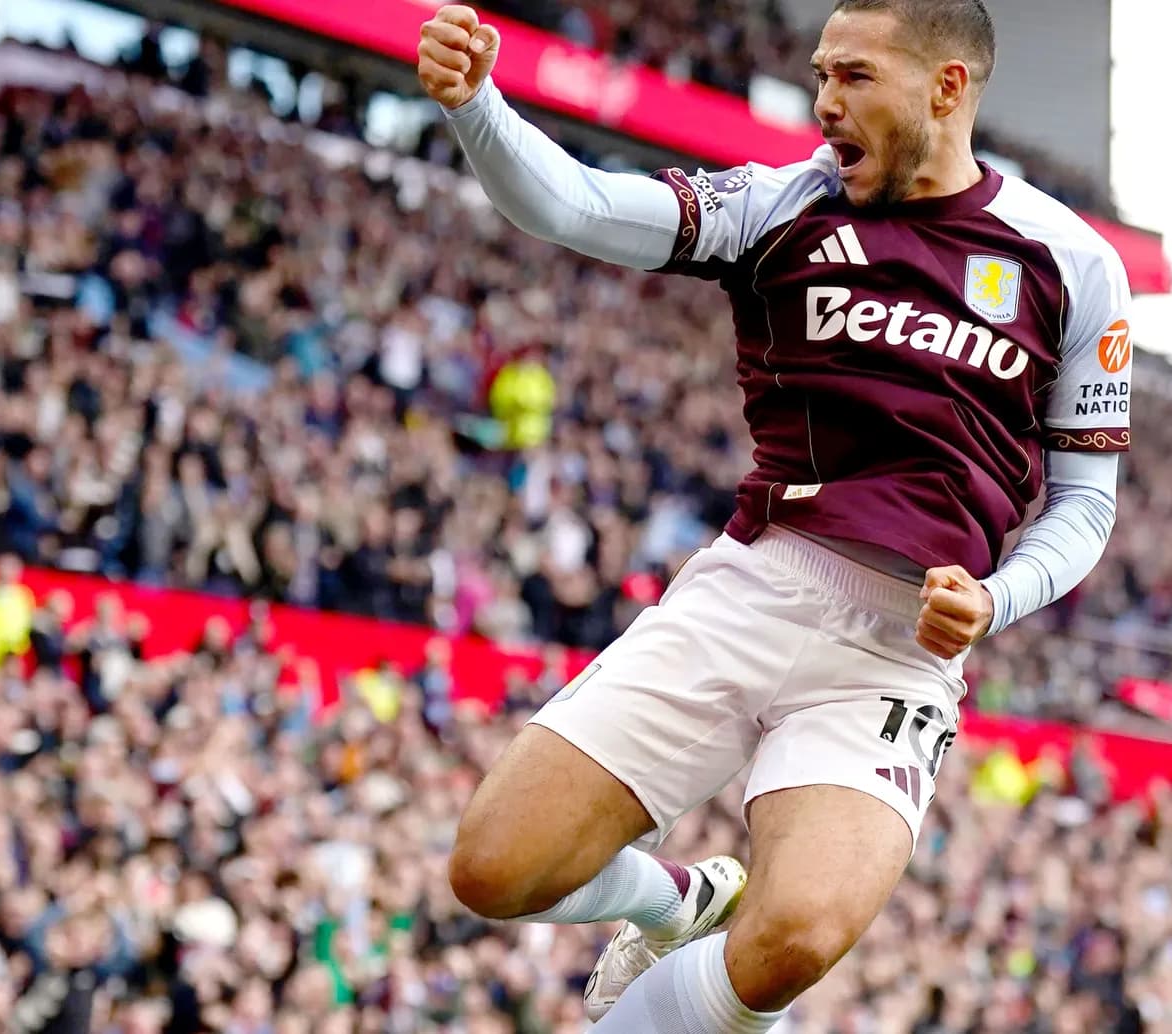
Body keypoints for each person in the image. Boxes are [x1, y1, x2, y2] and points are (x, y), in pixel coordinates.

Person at [417, 0, 1131, 1028]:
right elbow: (570, 204)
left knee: (793, 938)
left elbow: (1081, 502)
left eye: (853, 77)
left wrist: (996, 595)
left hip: (895, 654)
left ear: (947, 87)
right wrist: (477, 100)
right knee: (492, 870)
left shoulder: (1070, 261)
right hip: (753, 586)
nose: (824, 102)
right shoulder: (776, 204)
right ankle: (683, 897)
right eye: (819, 73)